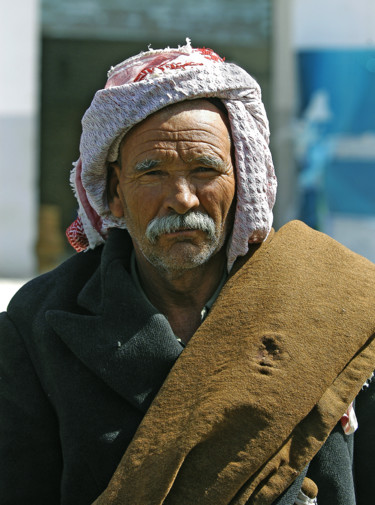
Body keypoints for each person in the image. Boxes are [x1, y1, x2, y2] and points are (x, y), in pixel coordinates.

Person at [0, 40, 374, 505]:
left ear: (243, 181)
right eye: (152, 172)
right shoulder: (39, 321)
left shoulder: (329, 300)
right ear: (115, 193)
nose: (182, 197)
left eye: (204, 169)